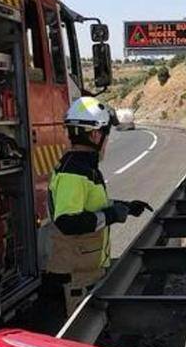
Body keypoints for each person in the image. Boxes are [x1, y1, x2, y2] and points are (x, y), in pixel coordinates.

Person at [46, 97, 152, 316]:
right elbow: (67, 221)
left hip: (85, 270)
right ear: (95, 134)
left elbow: (91, 205)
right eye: (106, 134)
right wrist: (111, 215)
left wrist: (126, 207)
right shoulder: (74, 171)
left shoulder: (84, 167)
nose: (107, 141)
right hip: (75, 277)